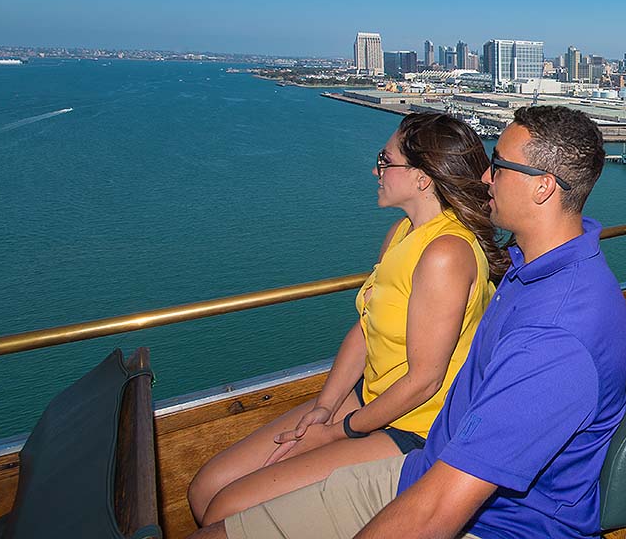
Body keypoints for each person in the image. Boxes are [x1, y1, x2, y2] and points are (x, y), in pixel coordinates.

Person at [194, 105, 626, 539]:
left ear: (543, 188)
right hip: (429, 467)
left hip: (495, 519)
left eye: (498, 166)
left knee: (227, 510)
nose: (485, 178)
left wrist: (339, 431)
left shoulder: (555, 334)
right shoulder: (533, 269)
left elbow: (439, 509)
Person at [187, 112, 505, 526]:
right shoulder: (402, 233)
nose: (376, 169)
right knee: (206, 487)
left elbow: (423, 380)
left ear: (423, 178)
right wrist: (324, 407)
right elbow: (366, 329)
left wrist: (340, 431)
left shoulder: (446, 253)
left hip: (418, 427)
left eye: (385, 160)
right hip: (372, 399)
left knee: (227, 509)